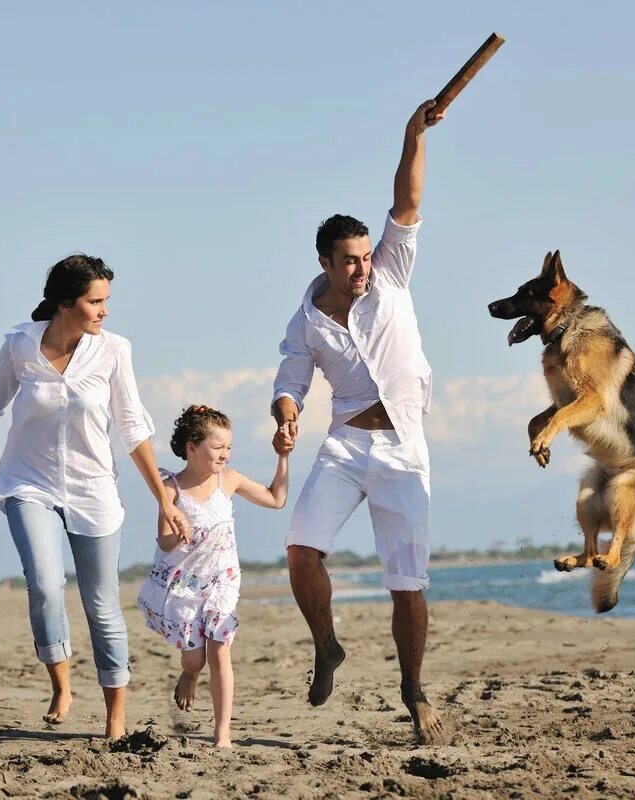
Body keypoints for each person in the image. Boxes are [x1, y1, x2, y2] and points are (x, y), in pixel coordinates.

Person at [0, 254, 189, 739]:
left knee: (101, 603)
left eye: (106, 301)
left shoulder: (114, 350)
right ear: (64, 303)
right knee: (43, 583)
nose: (104, 311)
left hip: (93, 487)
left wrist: (164, 499)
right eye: (95, 301)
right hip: (28, 481)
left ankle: (115, 716)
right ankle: (61, 682)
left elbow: (132, 428)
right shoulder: (20, 344)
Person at [270, 99, 445, 742]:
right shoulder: (307, 320)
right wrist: (286, 418)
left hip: (402, 446)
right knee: (299, 552)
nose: (362, 267)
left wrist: (412, 136)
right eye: (349, 259)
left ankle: (413, 691)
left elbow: (406, 197)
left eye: (367, 256)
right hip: (345, 443)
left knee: (407, 582)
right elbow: (290, 382)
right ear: (324, 262)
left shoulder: (392, 275)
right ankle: (327, 645)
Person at [137, 405, 288, 748]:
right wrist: (179, 531)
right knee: (195, 658)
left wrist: (283, 458)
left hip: (222, 581)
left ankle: (222, 734)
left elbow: (276, 499)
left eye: (229, 448)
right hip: (184, 587)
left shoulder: (229, 480)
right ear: (192, 447)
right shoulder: (170, 488)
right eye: (217, 448)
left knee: (220, 646)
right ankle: (190, 674)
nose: (225, 454)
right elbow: (163, 539)